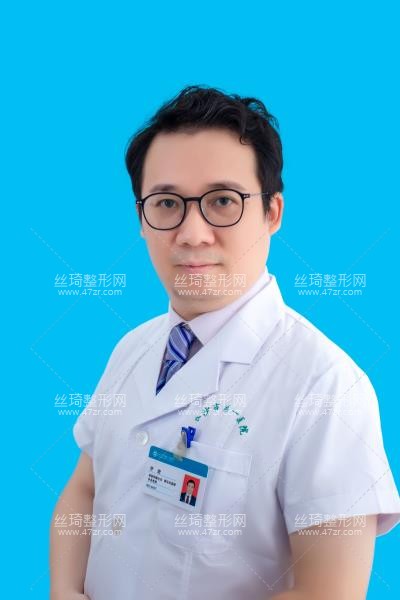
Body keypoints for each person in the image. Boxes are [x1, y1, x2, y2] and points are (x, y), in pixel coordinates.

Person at [50, 84, 400, 600]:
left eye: (221, 201)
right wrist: (64, 591)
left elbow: (329, 592)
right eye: (166, 203)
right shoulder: (131, 349)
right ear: (142, 219)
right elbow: (85, 488)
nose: (192, 233)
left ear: (272, 213)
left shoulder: (327, 386)